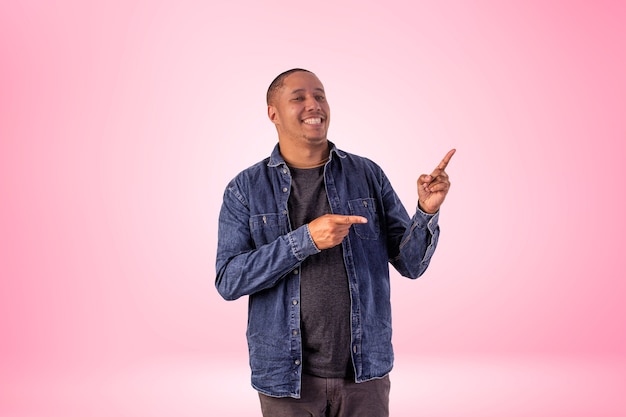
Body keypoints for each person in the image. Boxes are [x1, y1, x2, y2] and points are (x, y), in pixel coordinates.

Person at [215, 68, 454, 417]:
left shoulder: (367, 174)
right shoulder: (245, 188)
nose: (314, 104)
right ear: (273, 113)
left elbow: (411, 264)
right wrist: (305, 240)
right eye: (298, 97)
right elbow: (229, 280)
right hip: (285, 380)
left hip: (364, 375)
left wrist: (426, 212)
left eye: (320, 95)